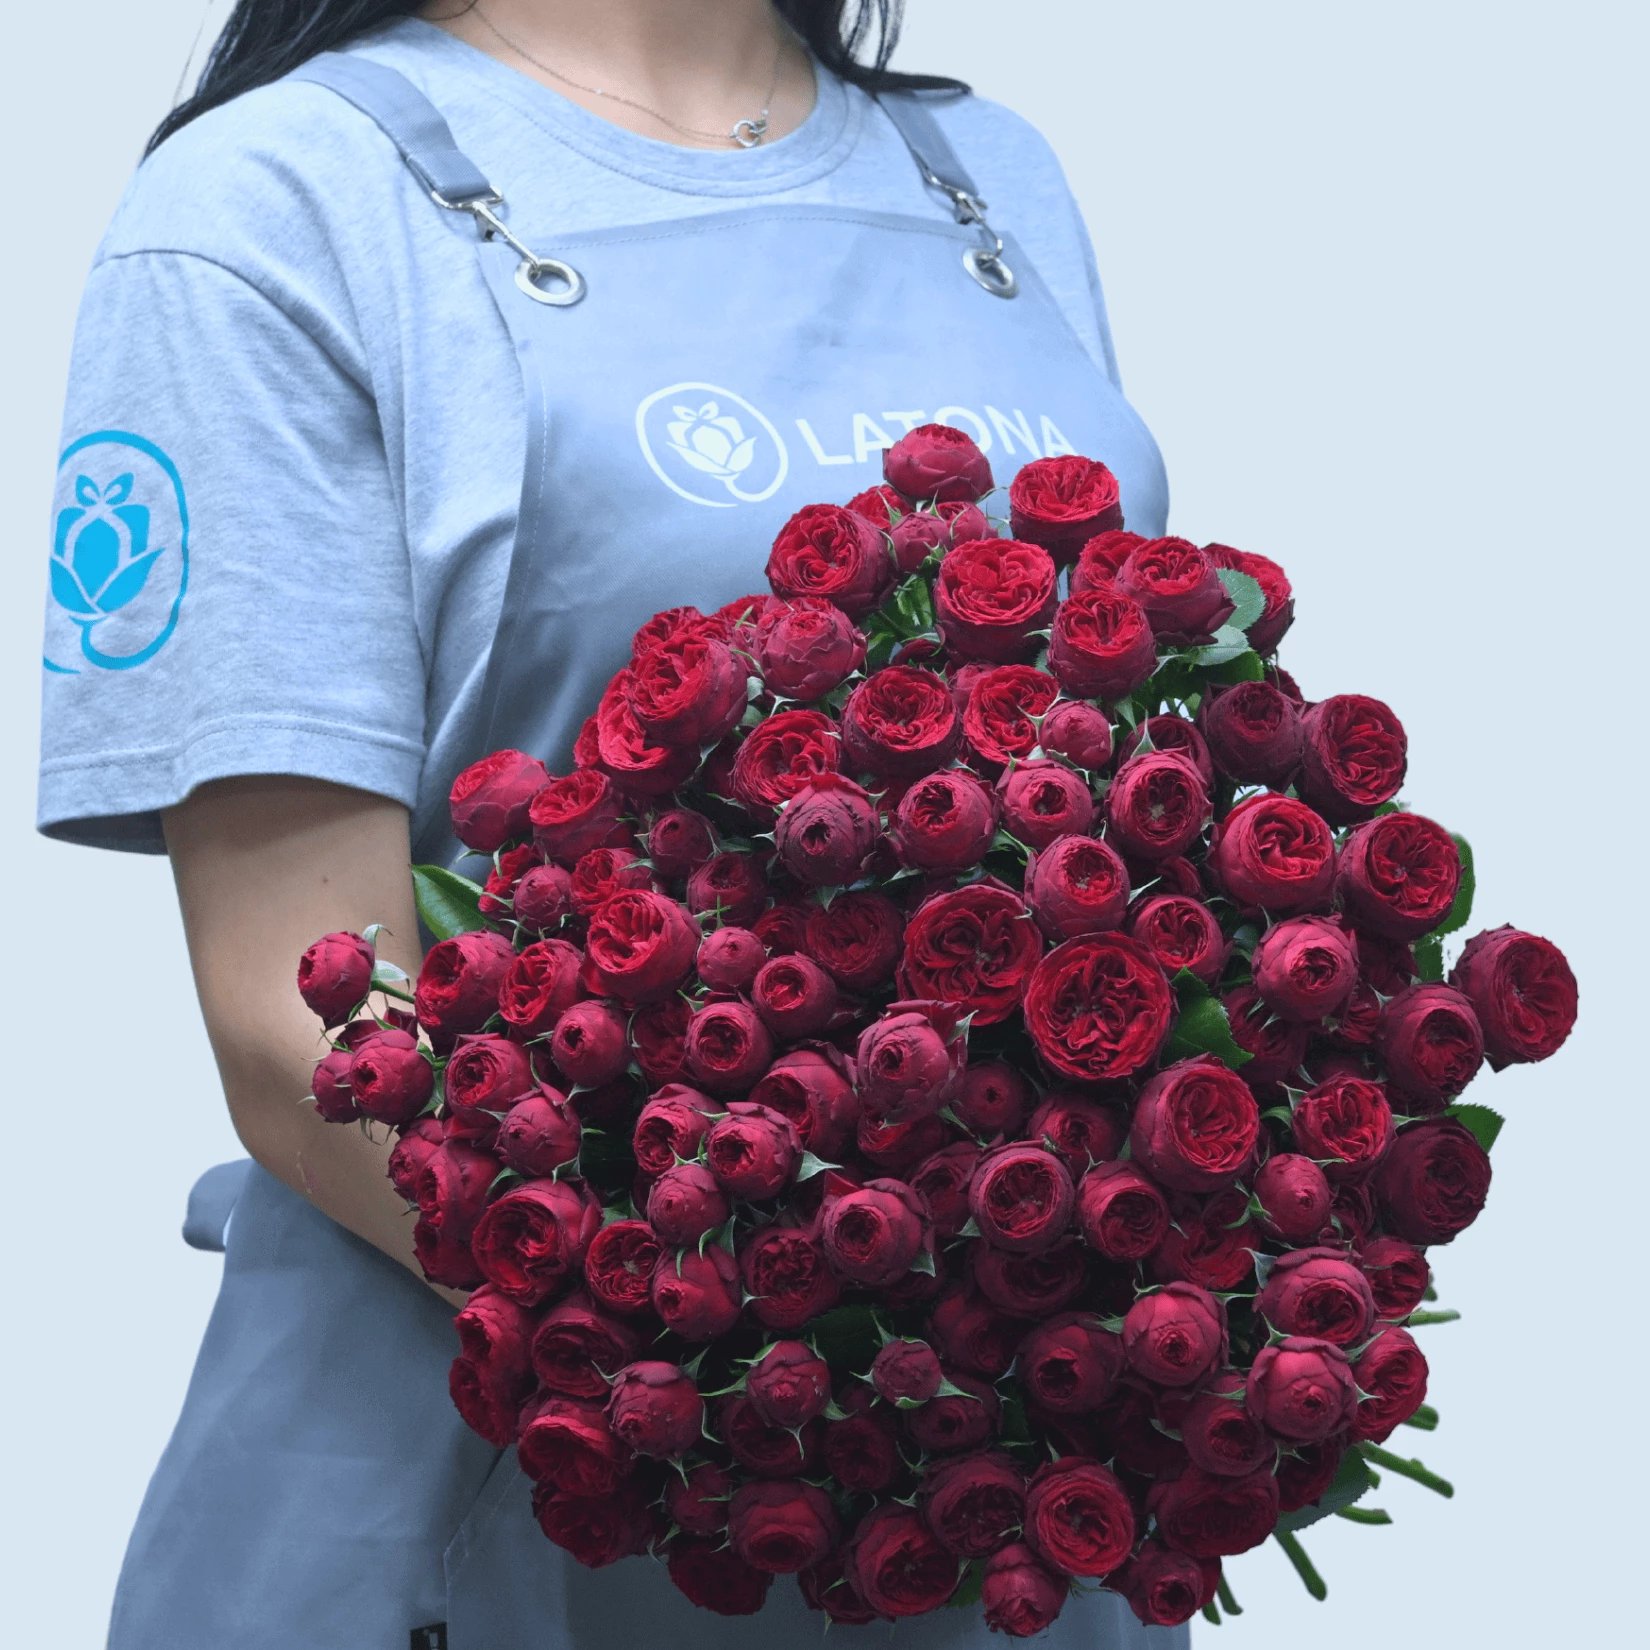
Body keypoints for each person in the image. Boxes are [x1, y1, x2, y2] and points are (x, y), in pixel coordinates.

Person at [36, 2, 1176, 1646]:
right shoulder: (274, 204)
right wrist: (832, 1368)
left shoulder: (982, 177)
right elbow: (295, 1014)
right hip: (514, 1484)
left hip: (1005, 1507)